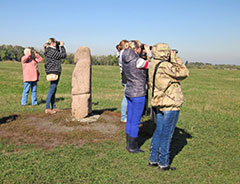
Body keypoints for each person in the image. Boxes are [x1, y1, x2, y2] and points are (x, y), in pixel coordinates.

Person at [148, 43, 189, 171]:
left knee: (159, 131)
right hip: (170, 103)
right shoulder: (165, 65)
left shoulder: (153, 64)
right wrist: (175, 58)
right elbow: (184, 72)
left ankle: (153, 159)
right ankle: (164, 163)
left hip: (159, 101)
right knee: (167, 134)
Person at [122, 40, 151, 153]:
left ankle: (128, 143)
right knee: (135, 121)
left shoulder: (124, 57)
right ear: (137, 49)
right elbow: (152, 65)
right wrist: (149, 53)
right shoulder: (139, 61)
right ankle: (133, 147)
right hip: (138, 93)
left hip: (129, 91)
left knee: (130, 119)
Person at [43, 38, 67, 114]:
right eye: (55, 42)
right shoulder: (51, 51)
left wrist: (58, 45)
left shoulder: (50, 50)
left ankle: (53, 107)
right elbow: (63, 55)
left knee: (53, 89)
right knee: (52, 89)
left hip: (52, 71)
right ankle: (47, 108)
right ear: (52, 43)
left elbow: (57, 52)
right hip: (54, 71)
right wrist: (62, 46)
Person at [116, 40, 129, 123]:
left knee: (126, 97)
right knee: (126, 97)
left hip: (124, 77)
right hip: (127, 77)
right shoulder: (124, 53)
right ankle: (124, 116)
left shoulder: (120, 53)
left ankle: (124, 115)